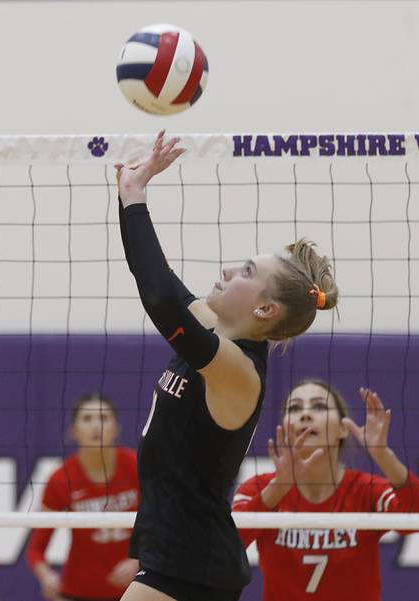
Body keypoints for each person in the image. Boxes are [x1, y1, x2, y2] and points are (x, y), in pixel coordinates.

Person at [114, 131, 339, 601]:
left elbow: (159, 300)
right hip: (182, 563)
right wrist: (130, 193)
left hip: (189, 567)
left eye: (247, 273)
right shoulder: (215, 335)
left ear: (264, 311)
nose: (228, 270)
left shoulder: (236, 369)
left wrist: (136, 198)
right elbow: (153, 277)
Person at [232, 380, 419, 601]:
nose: (305, 415)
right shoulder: (260, 488)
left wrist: (382, 454)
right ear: (284, 427)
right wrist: (279, 488)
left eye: (319, 407)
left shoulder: (366, 490)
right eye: (295, 408)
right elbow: (230, 544)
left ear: (342, 428)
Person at [27, 392, 140, 601]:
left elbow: (163, 527)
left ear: (116, 428)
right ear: (74, 431)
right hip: (79, 592)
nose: (96, 426)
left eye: (104, 418)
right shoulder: (61, 479)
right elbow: (36, 549)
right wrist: (47, 576)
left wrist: (139, 561)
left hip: (135, 591)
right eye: (87, 419)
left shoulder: (137, 467)